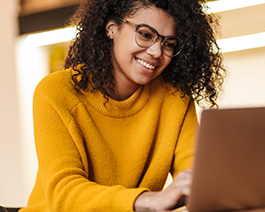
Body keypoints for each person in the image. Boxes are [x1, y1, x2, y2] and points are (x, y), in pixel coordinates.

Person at [20, 0, 226, 211]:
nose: (156, 52)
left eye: (169, 44)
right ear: (112, 28)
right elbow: (65, 194)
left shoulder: (175, 98)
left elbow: (196, 179)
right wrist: (149, 200)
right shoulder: (57, 92)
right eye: (146, 35)